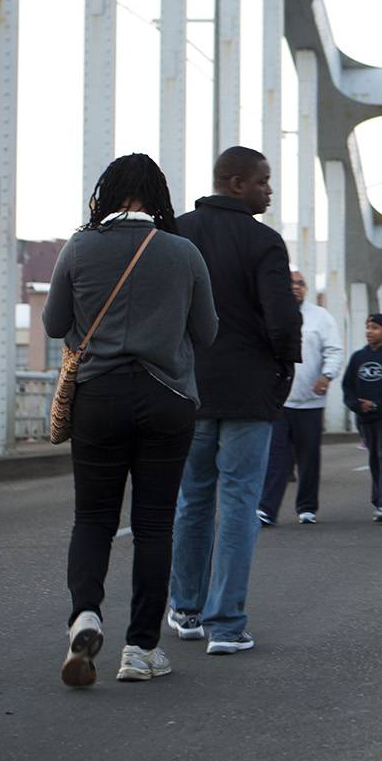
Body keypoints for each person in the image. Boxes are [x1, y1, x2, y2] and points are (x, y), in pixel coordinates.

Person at [47, 154, 218, 687]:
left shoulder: (80, 246)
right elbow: (207, 332)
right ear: (157, 196)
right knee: (153, 525)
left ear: (109, 192)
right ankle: (141, 649)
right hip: (167, 398)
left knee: (93, 518)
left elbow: (55, 323)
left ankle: (86, 616)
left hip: (99, 397)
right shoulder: (184, 253)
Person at [167, 146, 301, 657]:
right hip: (248, 388)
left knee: (192, 499)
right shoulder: (263, 240)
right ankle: (226, 626)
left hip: (187, 385)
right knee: (241, 500)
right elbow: (281, 317)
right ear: (237, 182)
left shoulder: (176, 233)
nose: (269, 190)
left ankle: (186, 609)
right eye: (264, 181)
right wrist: (284, 366)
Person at [258, 273, 342, 526]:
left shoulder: (321, 317)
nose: (295, 288)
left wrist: (327, 376)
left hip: (310, 403)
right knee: (276, 459)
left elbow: (334, 350)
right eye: (290, 283)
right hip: (279, 402)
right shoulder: (269, 314)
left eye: (300, 284)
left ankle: (307, 508)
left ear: (306, 289)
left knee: (308, 459)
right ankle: (267, 510)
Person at [342, 313, 382, 523]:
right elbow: (348, 386)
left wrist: (378, 405)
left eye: (375, 328)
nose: (370, 331)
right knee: (374, 460)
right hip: (365, 419)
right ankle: (380, 499)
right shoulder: (358, 357)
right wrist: (356, 405)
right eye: (368, 327)